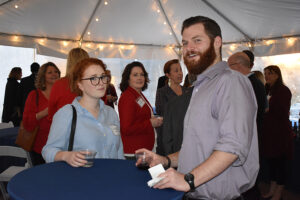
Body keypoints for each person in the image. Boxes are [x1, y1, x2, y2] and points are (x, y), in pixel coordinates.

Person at [136, 16, 259, 200]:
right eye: (185, 43)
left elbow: (233, 145)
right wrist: (166, 160)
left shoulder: (231, 81)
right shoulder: (200, 87)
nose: (189, 48)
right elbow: (196, 148)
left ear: (217, 42)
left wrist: (188, 180)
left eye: (197, 40)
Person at [42, 58, 124, 167]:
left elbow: (119, 151)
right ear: (80, 84)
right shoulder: (67, 114)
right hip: (82, 180)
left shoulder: (111, 113)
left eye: (103, 77)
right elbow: (48, 151)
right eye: (93, 78)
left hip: (111, 178)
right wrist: (66, 156)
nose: (101, 83)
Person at [261, 65, 294, 200]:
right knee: (272, 163)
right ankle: (272, 189)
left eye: (270, 73)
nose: (267, 76)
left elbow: (282, 111)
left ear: (277, 75)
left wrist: (268, 111)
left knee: (280, 163)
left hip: (280, 134)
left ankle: (279, 191)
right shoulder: (267, 89)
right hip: (269, 133)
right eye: (266, 73)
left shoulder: (283, 90)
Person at [118, 61, 163, 159]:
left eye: (142, 75)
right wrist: (150, 123)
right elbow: (126, 128)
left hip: (143, 149)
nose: (139, 78)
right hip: (134, 152)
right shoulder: (128, 97)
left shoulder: (137, 94)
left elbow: (140, 118)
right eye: (135, 75)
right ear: (128, 78)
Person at [22, 62, 60, 165]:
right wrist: (45, 112)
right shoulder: (34, 95)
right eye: (50, 72)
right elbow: (27, 122)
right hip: (39, 147)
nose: (54, 74)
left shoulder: (62, 95)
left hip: (60, 146)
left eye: (56, 72)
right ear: (43, 76)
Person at [48, 48, 89, 121]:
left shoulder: (59, 84)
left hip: (64, 128)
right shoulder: (92, 83)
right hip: (88, 128)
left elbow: (52, 114)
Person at [155, 59, 187, 155]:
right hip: (169, 136)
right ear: (168, 75)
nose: (180, 73)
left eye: (181, 70)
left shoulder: (187, 91)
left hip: (186, 133)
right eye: (176, 71)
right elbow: (162, 111)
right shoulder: (162, 92)